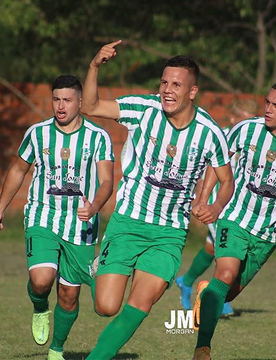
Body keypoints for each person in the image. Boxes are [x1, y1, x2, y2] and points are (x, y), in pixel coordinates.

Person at [81, 40, 234, 360]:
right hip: (127, 222)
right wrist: (94, 66)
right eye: (164, 82)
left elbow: (227, 181)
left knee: (140, 304)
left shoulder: (209, 132)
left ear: (192, 92)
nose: (167, 89)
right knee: (106, 307)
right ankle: (98, 266)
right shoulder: (142, 109)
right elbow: (90, 107)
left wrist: (215, 207)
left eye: (176, 84)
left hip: (169, 233)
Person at [192, 81, 276, 360]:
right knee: (225, 274)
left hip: (268, 232)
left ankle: (207, 292)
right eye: (267, 102)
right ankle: (202, 349)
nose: (268, 109)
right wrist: (206, 199)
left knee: (226, 294)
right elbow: (217, 163)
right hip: (235, 217)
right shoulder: (245, 129)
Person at [0, 75, 115, 360]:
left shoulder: (98, 137)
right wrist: (0, 208)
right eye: (56, 99)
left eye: (67, 100)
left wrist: (94, 206)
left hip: (81, 224)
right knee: (42, 280)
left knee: (69, 296)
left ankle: (56, 350)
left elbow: (107, 180)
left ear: (80, 102)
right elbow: (19, 170)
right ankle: (39, 306)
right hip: (42, 216)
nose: (61, 106)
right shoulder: (37, 133)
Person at [176, 99, 259, 317]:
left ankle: (186, 281)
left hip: (236, 204)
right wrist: (201, 197)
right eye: (243, 120)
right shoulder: (219, 136)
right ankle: (218, 298)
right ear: (233, 118)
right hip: (216, 202)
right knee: (226, 250)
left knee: (213, 248)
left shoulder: (255, 140)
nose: (247, 126)